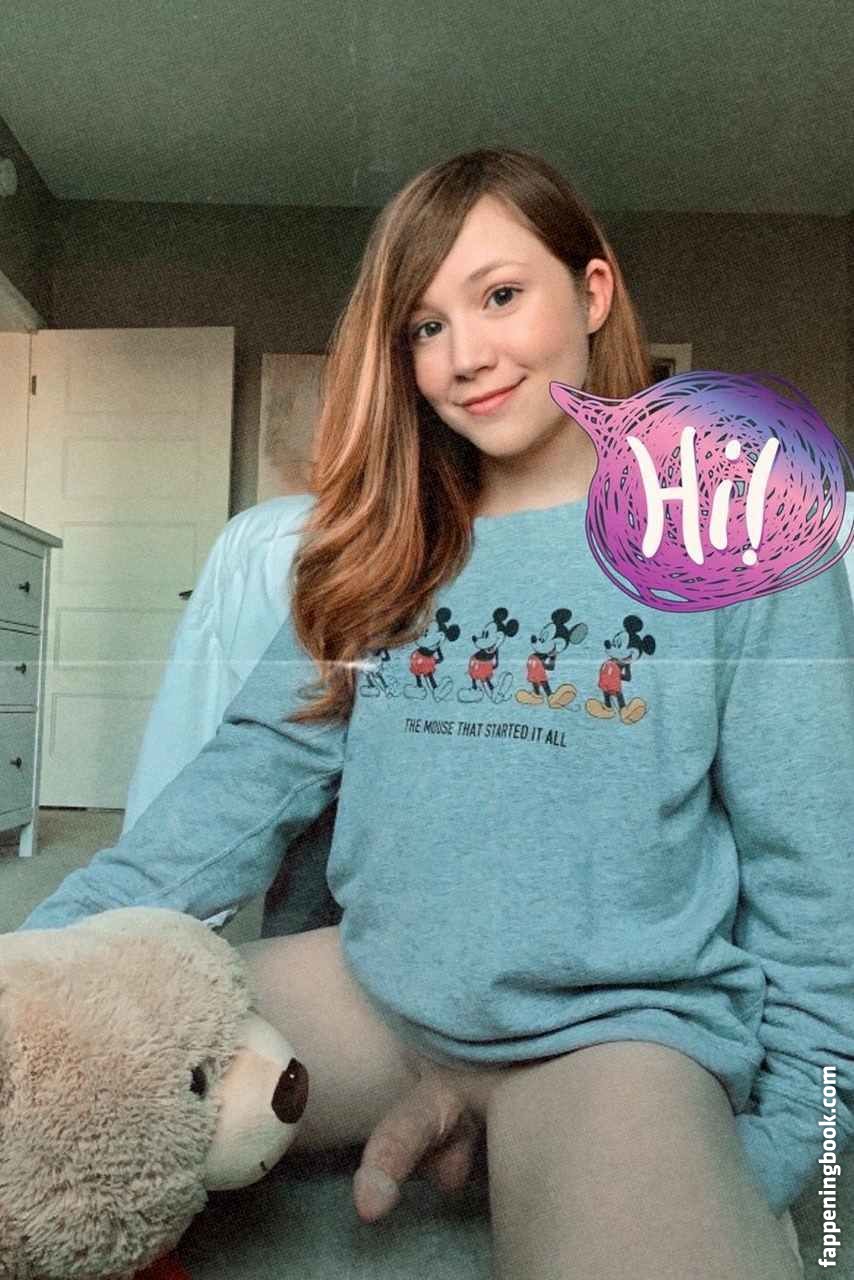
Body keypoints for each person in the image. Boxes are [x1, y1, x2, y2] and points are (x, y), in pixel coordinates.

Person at [18, 147, 852, 1279]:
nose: (465, 356)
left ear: (591, 291)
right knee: (48, 1079)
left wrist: (788, 1154)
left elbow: (816, 883)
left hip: (617, 1030)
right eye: (424, 325)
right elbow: (232, 793)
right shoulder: (377, 546)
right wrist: (41, 961)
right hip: (375, 988)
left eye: (500, 295)